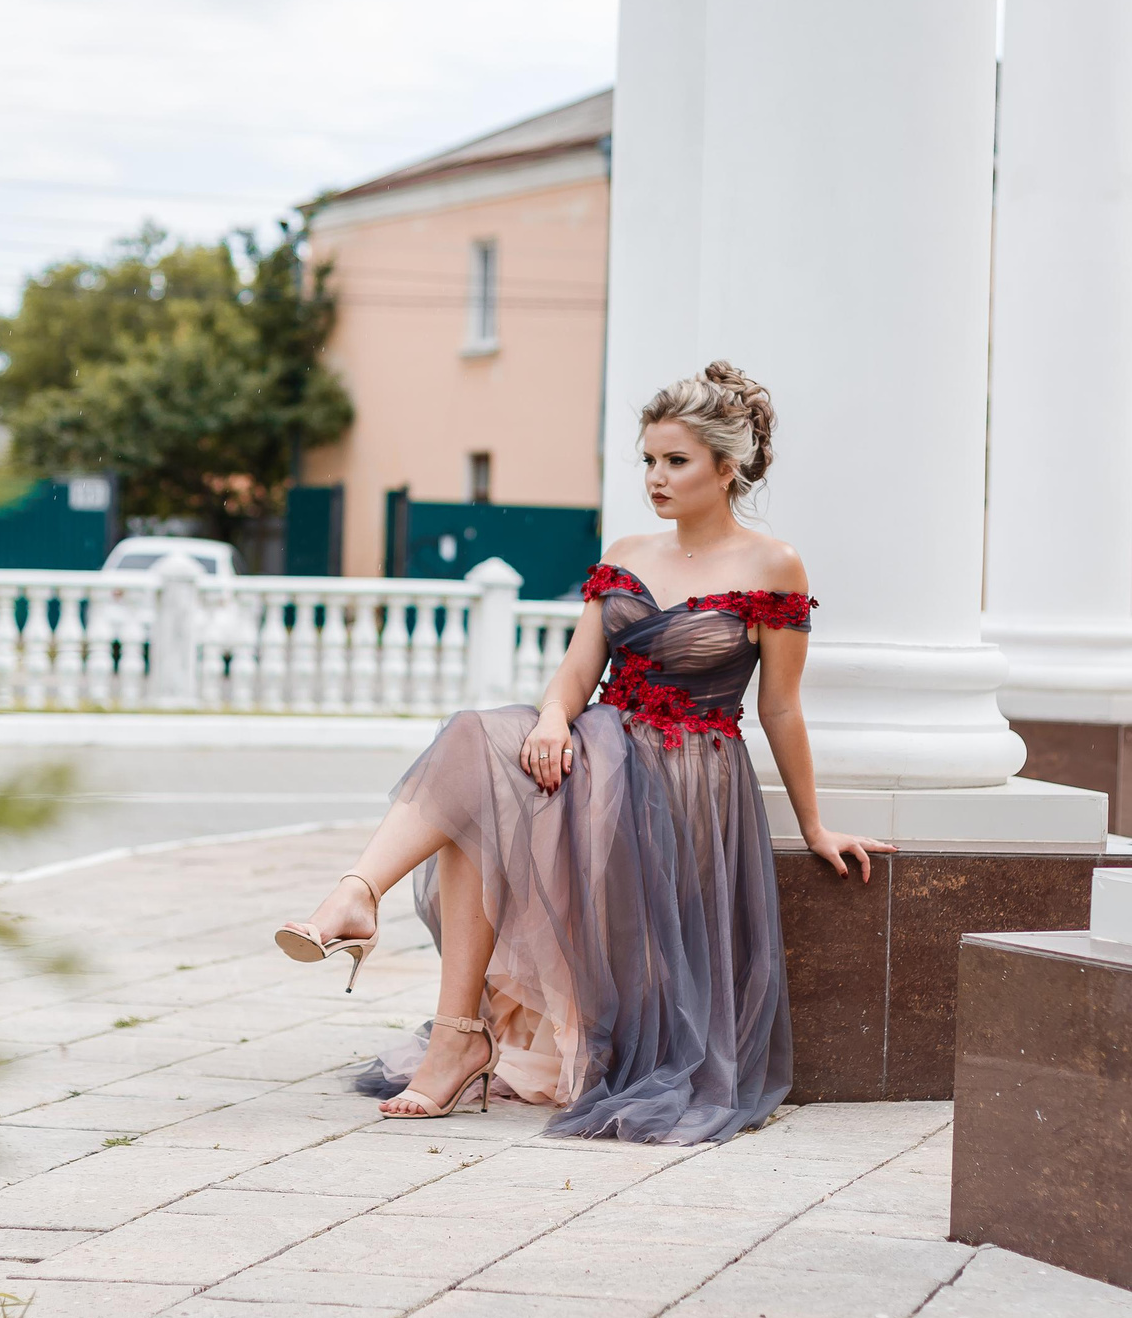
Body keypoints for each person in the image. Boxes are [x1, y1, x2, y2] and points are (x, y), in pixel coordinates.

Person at [273, 362, 893, 1144]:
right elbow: (575, 674)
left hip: (687, 778)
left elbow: (780, 707)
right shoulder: (628, 549)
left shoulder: (774, 565)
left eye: (676, 461)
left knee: (476, 789)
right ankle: (374, 918)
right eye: (648, 460)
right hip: (596, 750)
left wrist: (813, 827)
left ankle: (427, 998)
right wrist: (552, 722)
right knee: (478, 753)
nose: (656, 478)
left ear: (726, 468)